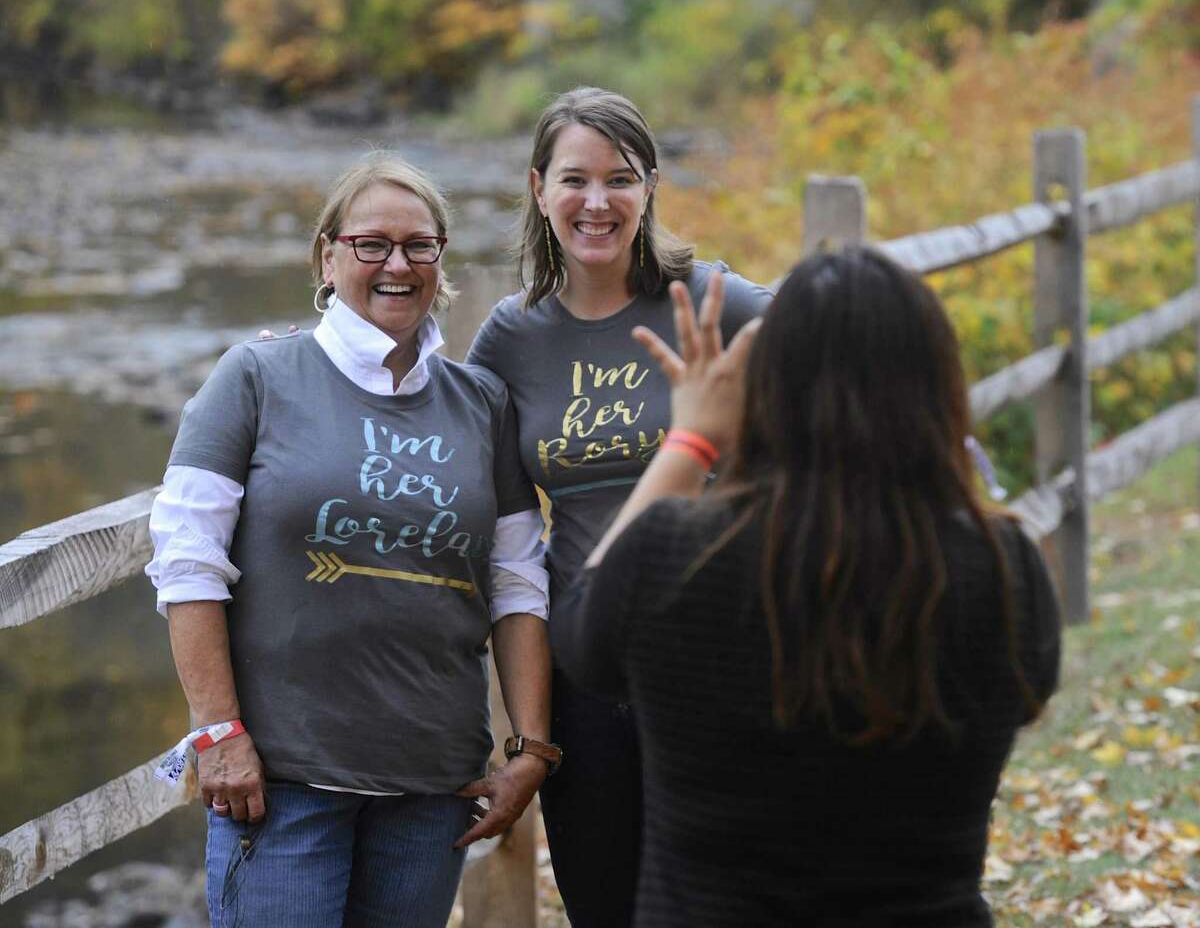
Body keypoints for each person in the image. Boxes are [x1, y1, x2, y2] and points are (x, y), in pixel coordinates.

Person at [553, 250, 1063, 928]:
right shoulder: (1003, 570)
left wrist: (692, 441)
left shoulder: (676, 552)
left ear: (764, 388)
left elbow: (581, 638)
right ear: (938, 386)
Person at [146, 153, 554, 928]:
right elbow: (187, 564)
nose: (396, 264)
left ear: (440, 258)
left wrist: (530, 750)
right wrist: (220, 732)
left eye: (419, 245)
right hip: (281, 785)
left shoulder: (481, 404)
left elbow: (518, 584)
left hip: (433, 792)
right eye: (371, 244)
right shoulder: (257, 377)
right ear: (327, 255)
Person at [465, 86, 773, 927]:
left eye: (620, 179)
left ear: (649, 188)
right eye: (574, 179)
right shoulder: (509, 338)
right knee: (607, 905)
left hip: (719, 662)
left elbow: (845, 352)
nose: (596, 202)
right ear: (538, 189)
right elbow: (494, 532)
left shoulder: (710, 302)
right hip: (586, 671)